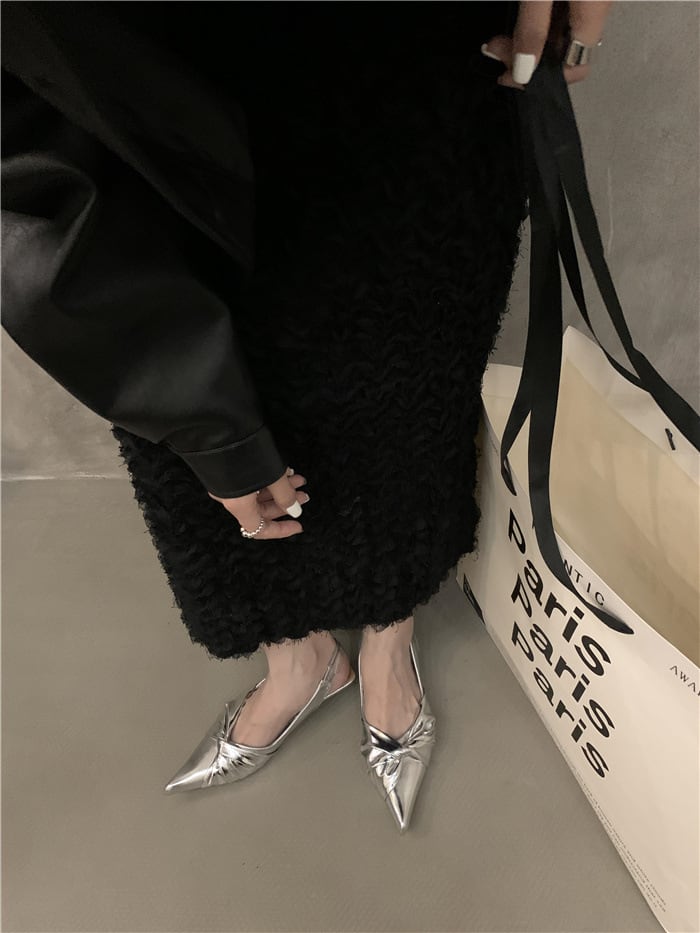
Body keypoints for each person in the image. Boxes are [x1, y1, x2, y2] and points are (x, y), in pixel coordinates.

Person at [1, 0, 612, 833]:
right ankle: (300, 660)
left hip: (418, 55)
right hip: (152, 60)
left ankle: (388, 646)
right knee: (201, 395)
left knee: (410, 373)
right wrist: (199, 423)